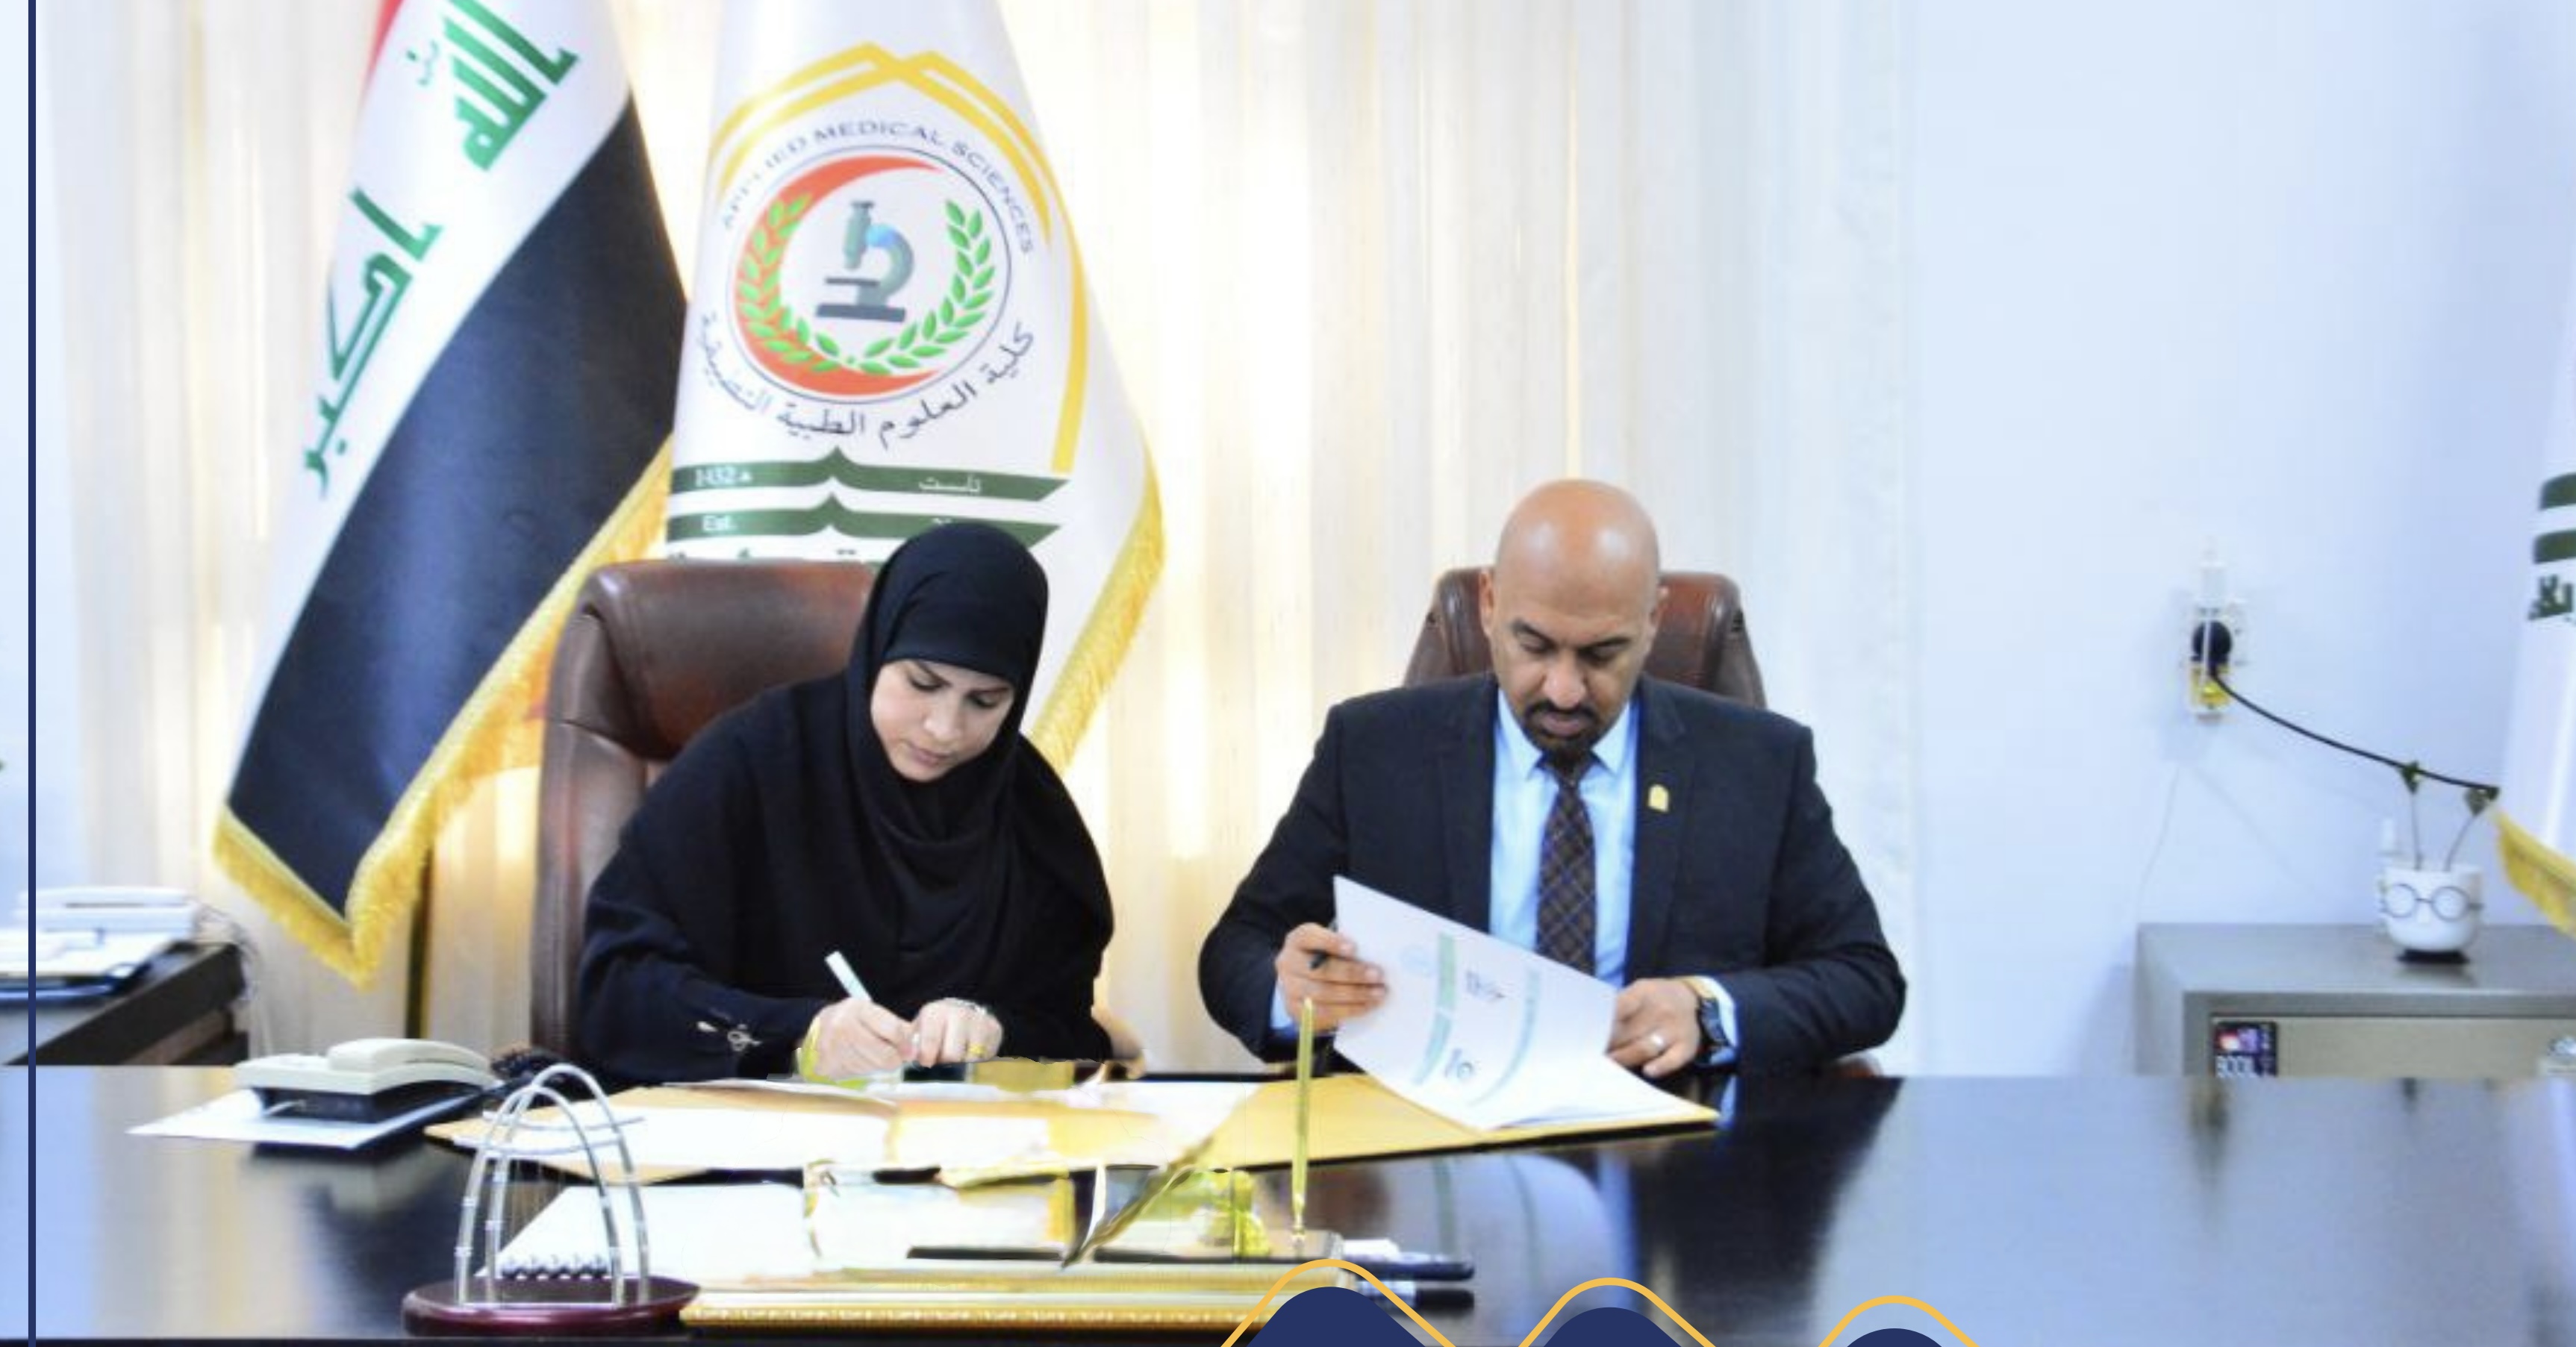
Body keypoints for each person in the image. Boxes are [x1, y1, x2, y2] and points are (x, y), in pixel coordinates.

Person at [1200, 480, 1903, 1076]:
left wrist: (1706, 1011)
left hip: (1672, 1147)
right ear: (1488, 604)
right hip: (1427, 1147)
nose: (1564, 690)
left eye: (1602, 653)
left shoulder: (1758, 763)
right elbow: (1237, 948)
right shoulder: (1375, 750)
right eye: (1533, 645)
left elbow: (1865, 979)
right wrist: (1291, 993)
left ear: (1653, 621)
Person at [574, 522, 1114, 1087]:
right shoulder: (751, 761)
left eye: (984, 701)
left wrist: (997, 1031)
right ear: (879, 647)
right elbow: (619, 994)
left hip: (955, 1140)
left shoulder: (1031, 818)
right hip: (744, 1132)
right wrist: (799, 1036)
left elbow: (1071, 1036)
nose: (944, 728)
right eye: (923, 683)